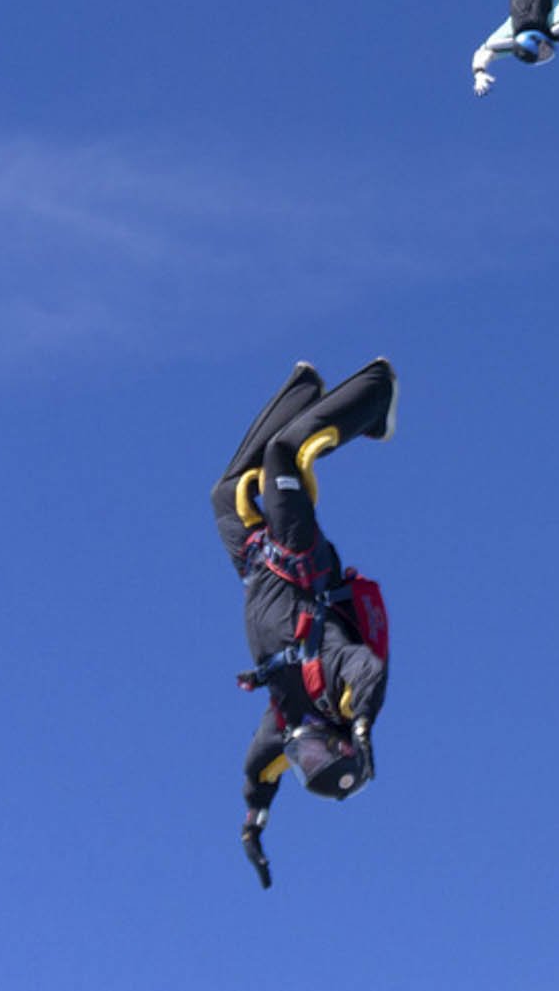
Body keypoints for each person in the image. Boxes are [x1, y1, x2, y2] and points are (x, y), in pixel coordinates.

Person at [210, 358, 399, 889]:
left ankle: (303, 392)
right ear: (340, 742)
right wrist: (362, 724)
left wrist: (254, 826)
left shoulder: (287, 723)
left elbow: (256, 772)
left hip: (256, 565)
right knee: (282, 456)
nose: (302, 749)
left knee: (225, 496)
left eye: (302, 761)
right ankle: (375, 398)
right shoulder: (336, 686)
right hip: (297, 557)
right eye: (319, 751)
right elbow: (370, 670)